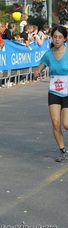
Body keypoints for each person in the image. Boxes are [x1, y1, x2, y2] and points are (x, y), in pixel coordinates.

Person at [33, 26, 68, 162]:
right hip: (54, 91)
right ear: (52, 38)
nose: (57, 40)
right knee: (55, 123)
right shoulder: (48, 54)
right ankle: (63, 150)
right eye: (55, 37)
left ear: (65, 38)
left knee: (66, 124)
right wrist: (37, 72)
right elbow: (40, 67)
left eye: (60, 37)